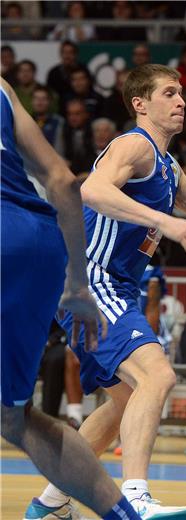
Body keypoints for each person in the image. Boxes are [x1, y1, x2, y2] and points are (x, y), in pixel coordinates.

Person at [30, 63, 186, 518]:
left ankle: (51, 501)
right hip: (90, 279)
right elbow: (94, 191)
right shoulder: (133, 144)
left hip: (116, 286)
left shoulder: (167, 167)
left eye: (182, 93)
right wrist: (165, 221)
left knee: (124, 402)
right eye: (169, 93)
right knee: (158, 376)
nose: (181, 101)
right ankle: (135, 497)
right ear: (140, 104)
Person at [0, 78, 139, 520]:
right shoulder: (2, 88)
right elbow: (61, 180)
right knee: (14, 417)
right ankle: (123, 516)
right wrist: (77, 284)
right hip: (41, 243)